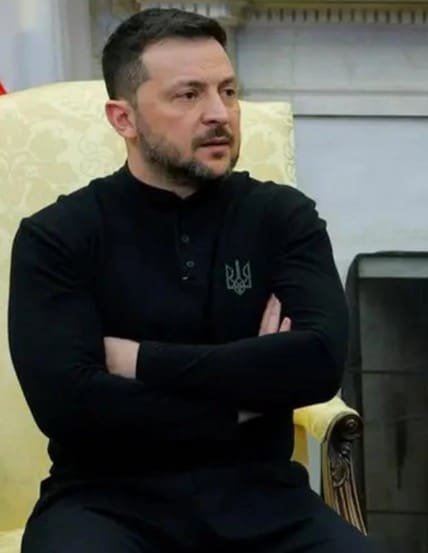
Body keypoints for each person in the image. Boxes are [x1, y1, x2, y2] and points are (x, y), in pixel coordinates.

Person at [7, 8, 379, 553]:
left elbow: (319, 363)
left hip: (264, 500)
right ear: (123, 118)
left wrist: (141, 362)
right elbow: (71, 408)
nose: (219, 114)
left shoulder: (282, 217)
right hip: (105, 503)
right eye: (188, 95)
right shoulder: (57, 236)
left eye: (228, 92)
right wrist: (246, 401)